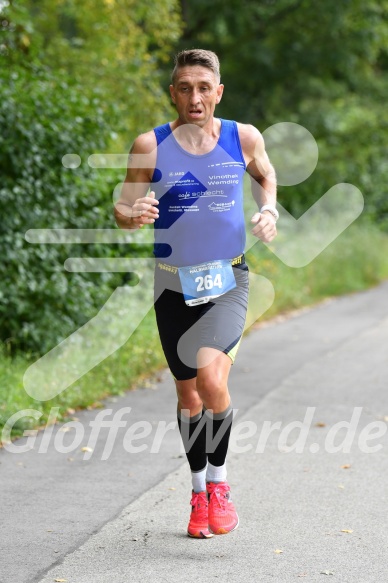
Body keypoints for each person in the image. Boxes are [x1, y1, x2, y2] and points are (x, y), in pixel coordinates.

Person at [114, 49, 277, 538]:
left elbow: (266, 175)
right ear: (173, 94)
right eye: (185, 87)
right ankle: (198, 492)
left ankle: (222, 485)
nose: (195, 96)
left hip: (228, 278)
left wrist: (268, 209)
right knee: (188, 394)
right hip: (171, 281)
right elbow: (122, 208)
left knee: (210, 378)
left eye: (204, 87)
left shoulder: (242, 137)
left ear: (218, 92)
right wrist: (133, 213)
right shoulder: (151, 145)